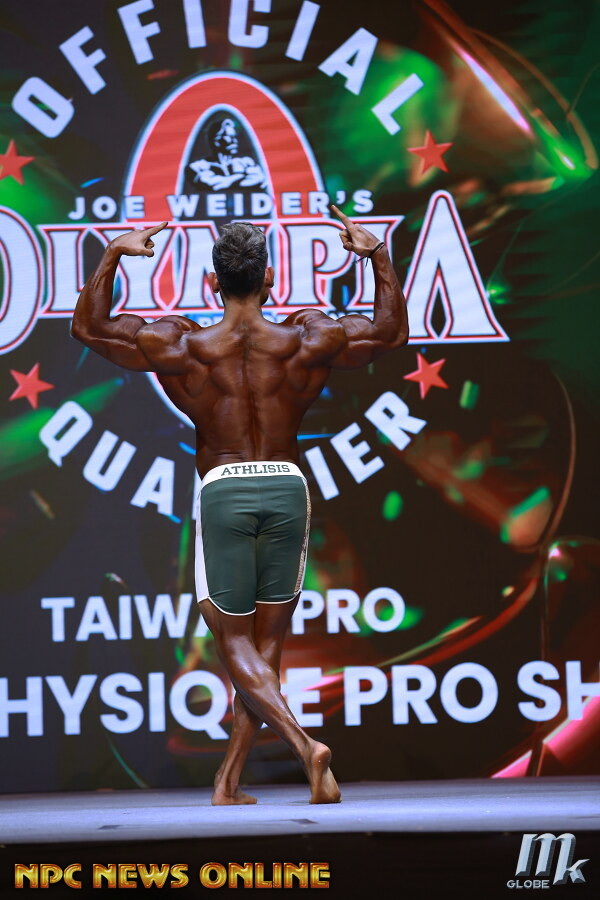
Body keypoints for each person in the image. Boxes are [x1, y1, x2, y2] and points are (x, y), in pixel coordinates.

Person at [71, 208, 409, 805]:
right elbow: (388, 333)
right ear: (269, 277)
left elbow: (89, 329)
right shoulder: (306, 338)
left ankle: (306, 747)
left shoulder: (182, 344)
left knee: (232, 640)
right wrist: (377, 255)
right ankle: (228, 781)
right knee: (265, 644)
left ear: (212, 283)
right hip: (287, 486)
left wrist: (114, 254)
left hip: (225, 487)